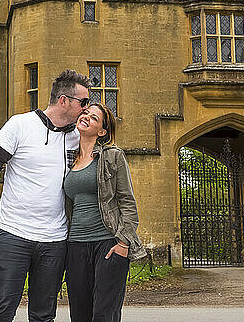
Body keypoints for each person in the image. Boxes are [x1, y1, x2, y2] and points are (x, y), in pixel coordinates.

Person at [0, 70, 91, 322]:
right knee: (1, 313)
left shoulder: (78, 137)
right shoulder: (20, 125)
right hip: (13, 235)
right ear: (64, 100)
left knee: (43, 316)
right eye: (83, 102)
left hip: (55, 240)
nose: (86, 108)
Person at [64, 102, 146, 322]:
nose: (86, 117)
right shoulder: (67, 159)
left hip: (108, 243)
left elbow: (127, 201)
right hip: (76, 246)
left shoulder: (112, 156)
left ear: (102, 131)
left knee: (104, 315)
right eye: (85, 113)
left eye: (94, 117)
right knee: (80, 314)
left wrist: (123, 243)